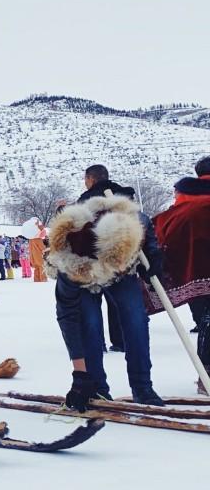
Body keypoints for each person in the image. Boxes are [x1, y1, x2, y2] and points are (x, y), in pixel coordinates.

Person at [48, 164, 165, 408]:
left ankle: (141, 387)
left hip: (123, 270)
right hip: (87, 274)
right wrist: (80, 376)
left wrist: (151, 257)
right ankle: (97, 387)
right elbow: (68, 316)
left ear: (88, 180)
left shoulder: (128, 220)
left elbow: (143, 234)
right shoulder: (72, 258)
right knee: (91, 325)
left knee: (132, 324)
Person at [152, 156, 210, 393]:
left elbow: (159, 232)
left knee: (205, 321)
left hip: (193, 274)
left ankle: (206, 376)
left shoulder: (182, 206)